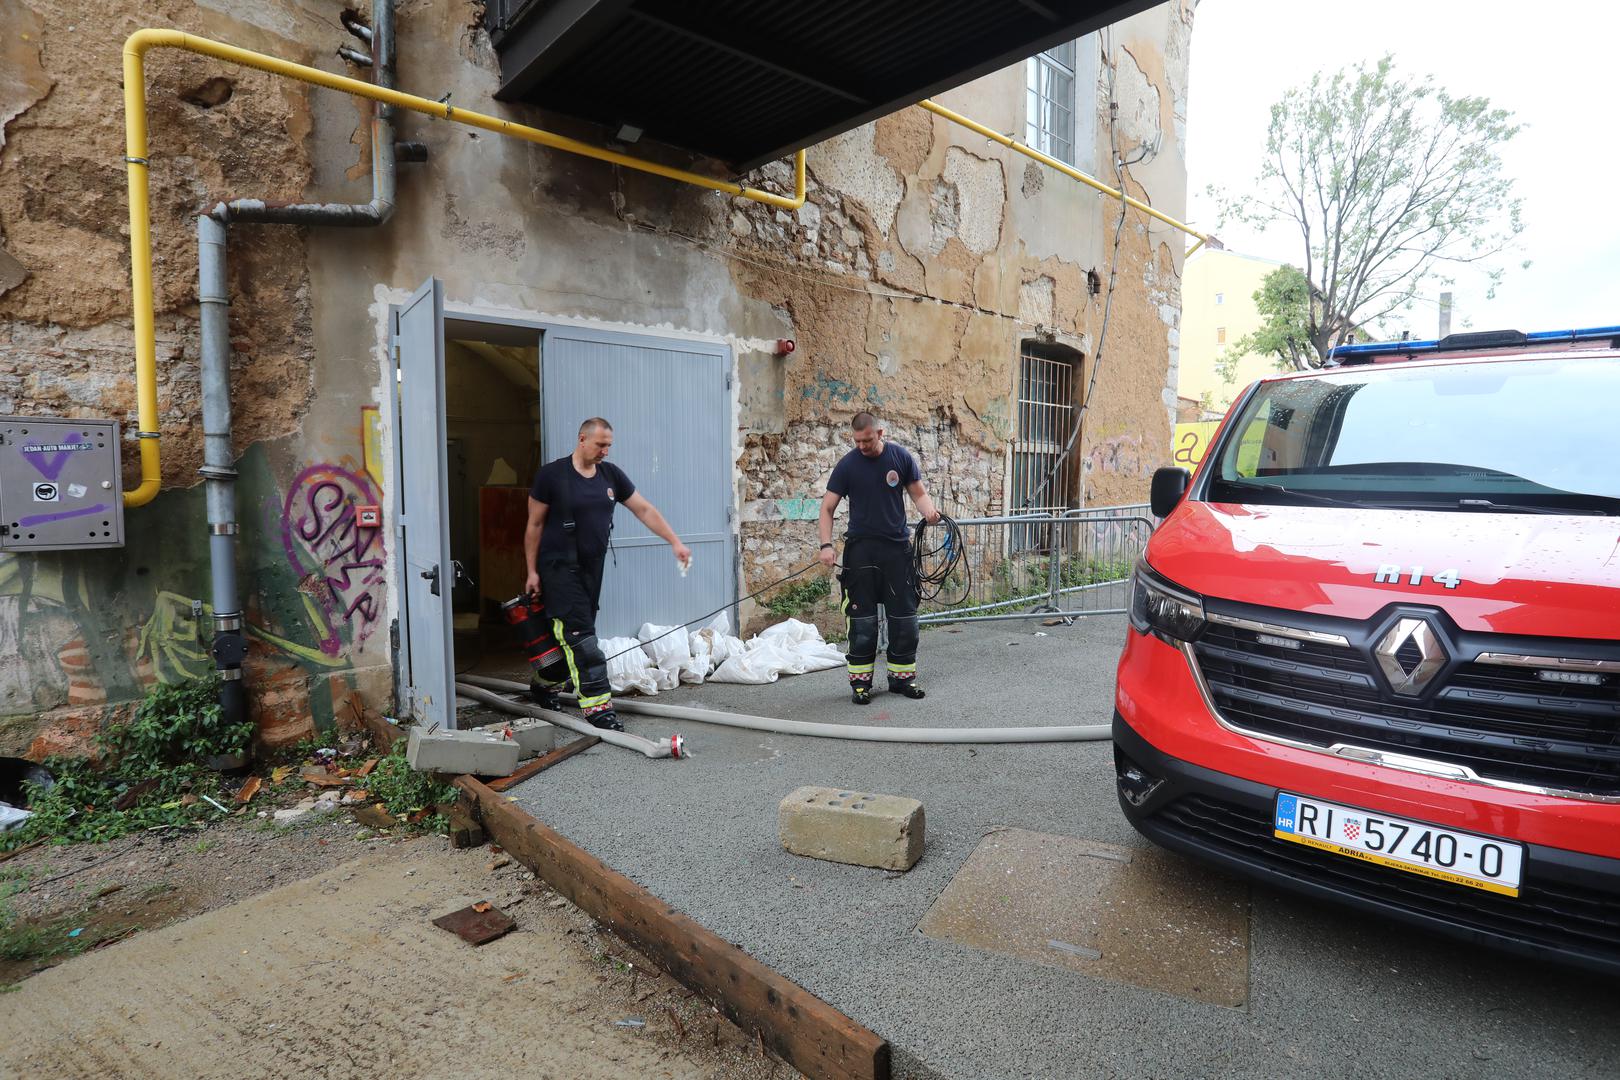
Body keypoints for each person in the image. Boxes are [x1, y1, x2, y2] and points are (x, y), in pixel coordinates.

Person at [525, 417, 691, 730]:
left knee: (572, 637)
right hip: (557, 568)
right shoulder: (551, 476)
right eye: (601, 444)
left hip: (592, 569)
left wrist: (675, 541)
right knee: (582, 640)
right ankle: (598, 709)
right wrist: (532, 571)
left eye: (609, 445)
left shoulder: (611, 475)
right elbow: (534, 525)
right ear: (582, 439)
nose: (605, 451)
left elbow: (644, 509)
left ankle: (544, 683)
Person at [818, 411, 942, 706]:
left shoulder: (900, 458)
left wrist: (930, 512)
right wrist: (826, 544)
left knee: (904, 619)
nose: (861, 445)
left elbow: (918, 493)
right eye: (857, 440)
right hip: (860, 551)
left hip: (897, 550)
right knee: (863, 622)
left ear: (880, 433)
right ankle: (860, 684)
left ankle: (902, 679)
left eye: (867, 440)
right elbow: (827, 508)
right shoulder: (847, 465)